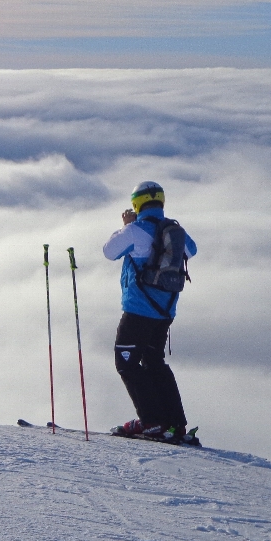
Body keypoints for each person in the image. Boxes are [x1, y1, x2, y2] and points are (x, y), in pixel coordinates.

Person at [102, 181, 197, 441]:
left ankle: (152, 422)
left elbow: (109, 252)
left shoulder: (135, 231)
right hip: (165, 312)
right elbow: (193, 249)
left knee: (127, 363)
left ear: (137, 204)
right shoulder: (174, 230)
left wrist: (127, 225)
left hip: (138, 311)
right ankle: (174, 424)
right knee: (155, 362)